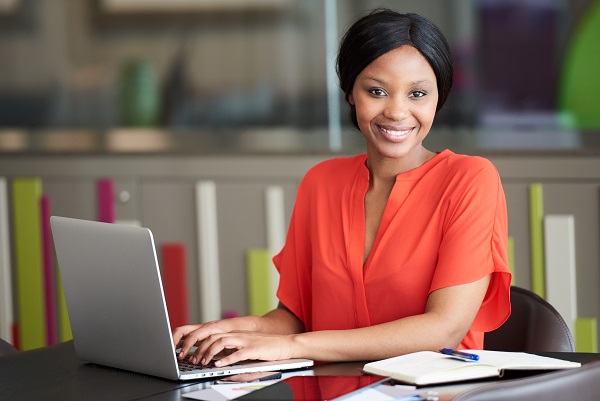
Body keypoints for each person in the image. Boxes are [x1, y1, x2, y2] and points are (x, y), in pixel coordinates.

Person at [173, 8, 512, 367]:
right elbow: (294, 319)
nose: (397, 112)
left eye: (417, 94)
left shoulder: (470, 180)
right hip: (332, 390)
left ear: (438, 98)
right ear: (351, 92)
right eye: (377, 91)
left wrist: (293, 347)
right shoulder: (321, 182)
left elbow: (443, 331)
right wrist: (230, 332)